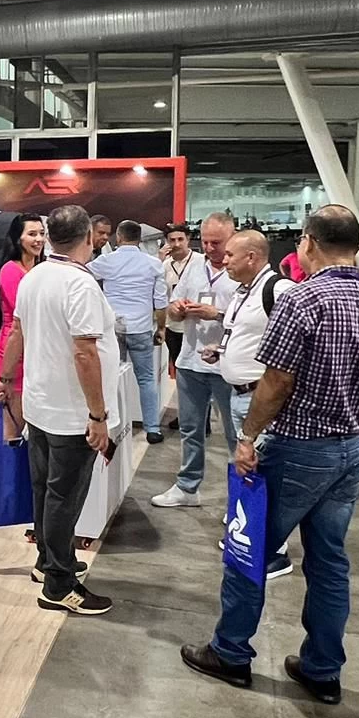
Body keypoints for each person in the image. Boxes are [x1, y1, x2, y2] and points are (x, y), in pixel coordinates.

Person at [180, 206, 359, 704]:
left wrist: (247, 437)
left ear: (308, 243)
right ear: (356, 248)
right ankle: (322, 668)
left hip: (297, 447)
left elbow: (277, 380)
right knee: (329, 562)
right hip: (350, 450)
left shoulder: (303, 300)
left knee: (248, 550)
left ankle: (230, 652)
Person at [0, 205, 118, 615]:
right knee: (64, 497)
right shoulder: (79, 284)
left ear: (49, 238)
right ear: (88, 238)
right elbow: (85, 353)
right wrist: (98, 416)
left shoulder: (34, 277)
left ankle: (48, 561)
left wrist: (6, 377)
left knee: (46, 490)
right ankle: (59, 585)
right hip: (70, 413)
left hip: (40, 405)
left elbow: (17, 332)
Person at [203, 229, 296, 579]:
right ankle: (251, 533)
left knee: (267, 471)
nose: (224, 260)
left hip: (261, 398)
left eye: (230, 255)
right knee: (249, 468)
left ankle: (274, 551)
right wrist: (222, 352)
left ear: (252, 257)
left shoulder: (279, 291)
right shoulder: (244, 291)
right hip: (239, 395)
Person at [152, 212, 240, 508]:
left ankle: (239, 499)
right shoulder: (194, 267)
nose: (210, 248)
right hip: (190, 361)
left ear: (232, 238)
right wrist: (176, 309)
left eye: (217, 242)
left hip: (228, 366)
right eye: (205, 241)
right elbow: (173, 306)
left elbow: (253, 319)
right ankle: (188, 487)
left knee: (236, 435)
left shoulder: (242, 270)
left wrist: (217, 314)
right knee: (190, 430)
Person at [88, 219, 167, 444]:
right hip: (141, 328)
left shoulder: (105, 261)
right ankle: (152, 429)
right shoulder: (154, 264)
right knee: (146, 379)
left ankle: (113, 425)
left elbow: (83, 276)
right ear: (139, 239)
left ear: (119, 237)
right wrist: (161, 328)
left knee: (111, 378)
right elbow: (160, 302)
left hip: (113, 329)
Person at [0, 214, 45, 438]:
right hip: (13, 357)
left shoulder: (40, 269)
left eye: (41, 233)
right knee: (12, 431)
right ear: (18, 238)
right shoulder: (10, 270)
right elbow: (24, 317)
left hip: (34, 356)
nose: (38, 239)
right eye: (32, 234)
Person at [160, 224, 195, 375]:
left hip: (195, 325)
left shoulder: (200, 261)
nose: (177, 244)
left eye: (180, 239)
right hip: (173, 325)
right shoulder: (164, 265)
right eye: (172, 240)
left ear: (188, 239)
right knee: (179, 367)